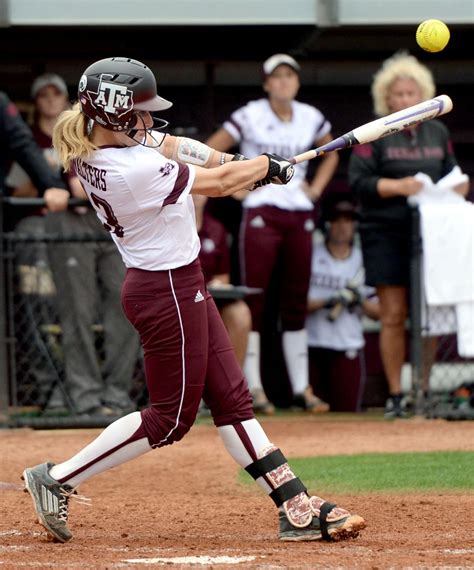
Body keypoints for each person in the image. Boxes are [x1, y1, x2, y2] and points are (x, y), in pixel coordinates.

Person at [22, 56, 365, 544]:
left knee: (232, 400)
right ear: (114, 114)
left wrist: (245, 163)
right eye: (140, 111)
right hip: (164, 291)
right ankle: (56, 480)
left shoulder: (106, 142)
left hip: (180, 281)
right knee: (170, 418)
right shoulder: (125, 170)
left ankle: (295, 505)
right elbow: (221, 187)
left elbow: (181, 147)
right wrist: (260, 170)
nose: (149, 120)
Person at [206, 53, 338, 413]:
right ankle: (255, 387)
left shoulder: (309, 116)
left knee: (296, 300)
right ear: (266, 83)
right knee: (255, 299)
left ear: (297, 81)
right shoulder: (251, 114)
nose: (283, 82)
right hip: (261, 210)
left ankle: (302, 389)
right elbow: (212, 147)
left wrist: (315, 189)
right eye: (276, 77)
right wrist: (233, 187)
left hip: (299, 212)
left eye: (289, 76)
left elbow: (332, 152)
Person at [347, 52, 469, 418]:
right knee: (393, 314)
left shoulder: (437, 130)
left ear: (423, 95)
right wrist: (400, 186)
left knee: (429, 314)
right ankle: (397, 393)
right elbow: (360, 182)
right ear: (387, 98)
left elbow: (452, 173)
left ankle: (424, 387)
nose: (404, 100)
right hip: (385, 230)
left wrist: (457, 186)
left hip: (431, 234)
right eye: (397, 94)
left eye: (410, 93)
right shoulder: (375, 131)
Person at [193, 193, 274, 415]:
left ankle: (227, 390)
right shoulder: (170, 223)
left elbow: (223, 278)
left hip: (208, 298)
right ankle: (192, 393)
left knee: (240, 312)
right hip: (179, 299)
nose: (196, 196)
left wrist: (215, 284)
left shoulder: (216, 228)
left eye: (200, 190)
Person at [306, 198, 380, 412]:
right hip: (313, 343)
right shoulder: (313, 255)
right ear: (327, 225)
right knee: (311, 414)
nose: (342, 226)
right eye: (336, 221)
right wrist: (329, 300)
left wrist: (358, 299)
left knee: (346, 412)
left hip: (347, 345)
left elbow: (379, 313)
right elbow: (296, 305)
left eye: (348, 221)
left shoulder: (363, 260)